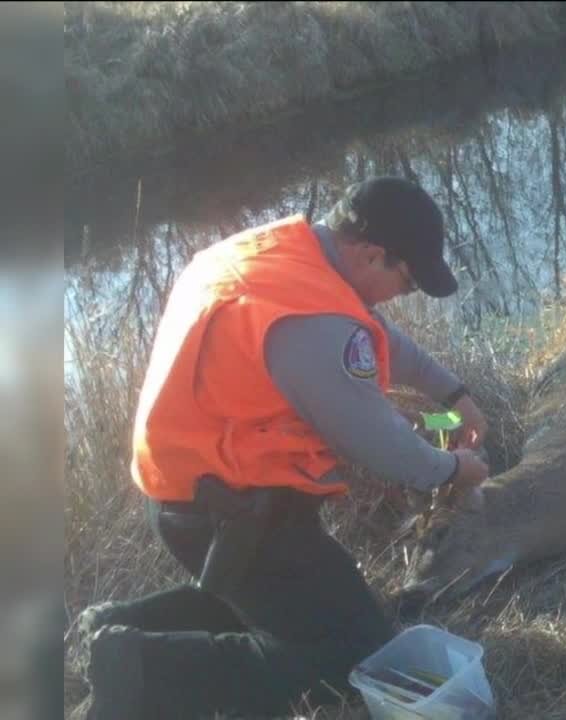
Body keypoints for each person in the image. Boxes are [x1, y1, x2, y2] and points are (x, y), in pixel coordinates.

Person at [73, 176, 492, 719]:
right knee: (352, 654)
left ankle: (114, 620)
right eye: (408, 282)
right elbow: (385, 449)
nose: (402, 296)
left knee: (297, 607)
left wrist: (454, 395)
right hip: (231, 515)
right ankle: (135, 662)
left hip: (202, 493)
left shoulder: (283, 256)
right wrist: (453, 470)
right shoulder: (312, 322)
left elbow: (376, 335)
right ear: (372, 254)